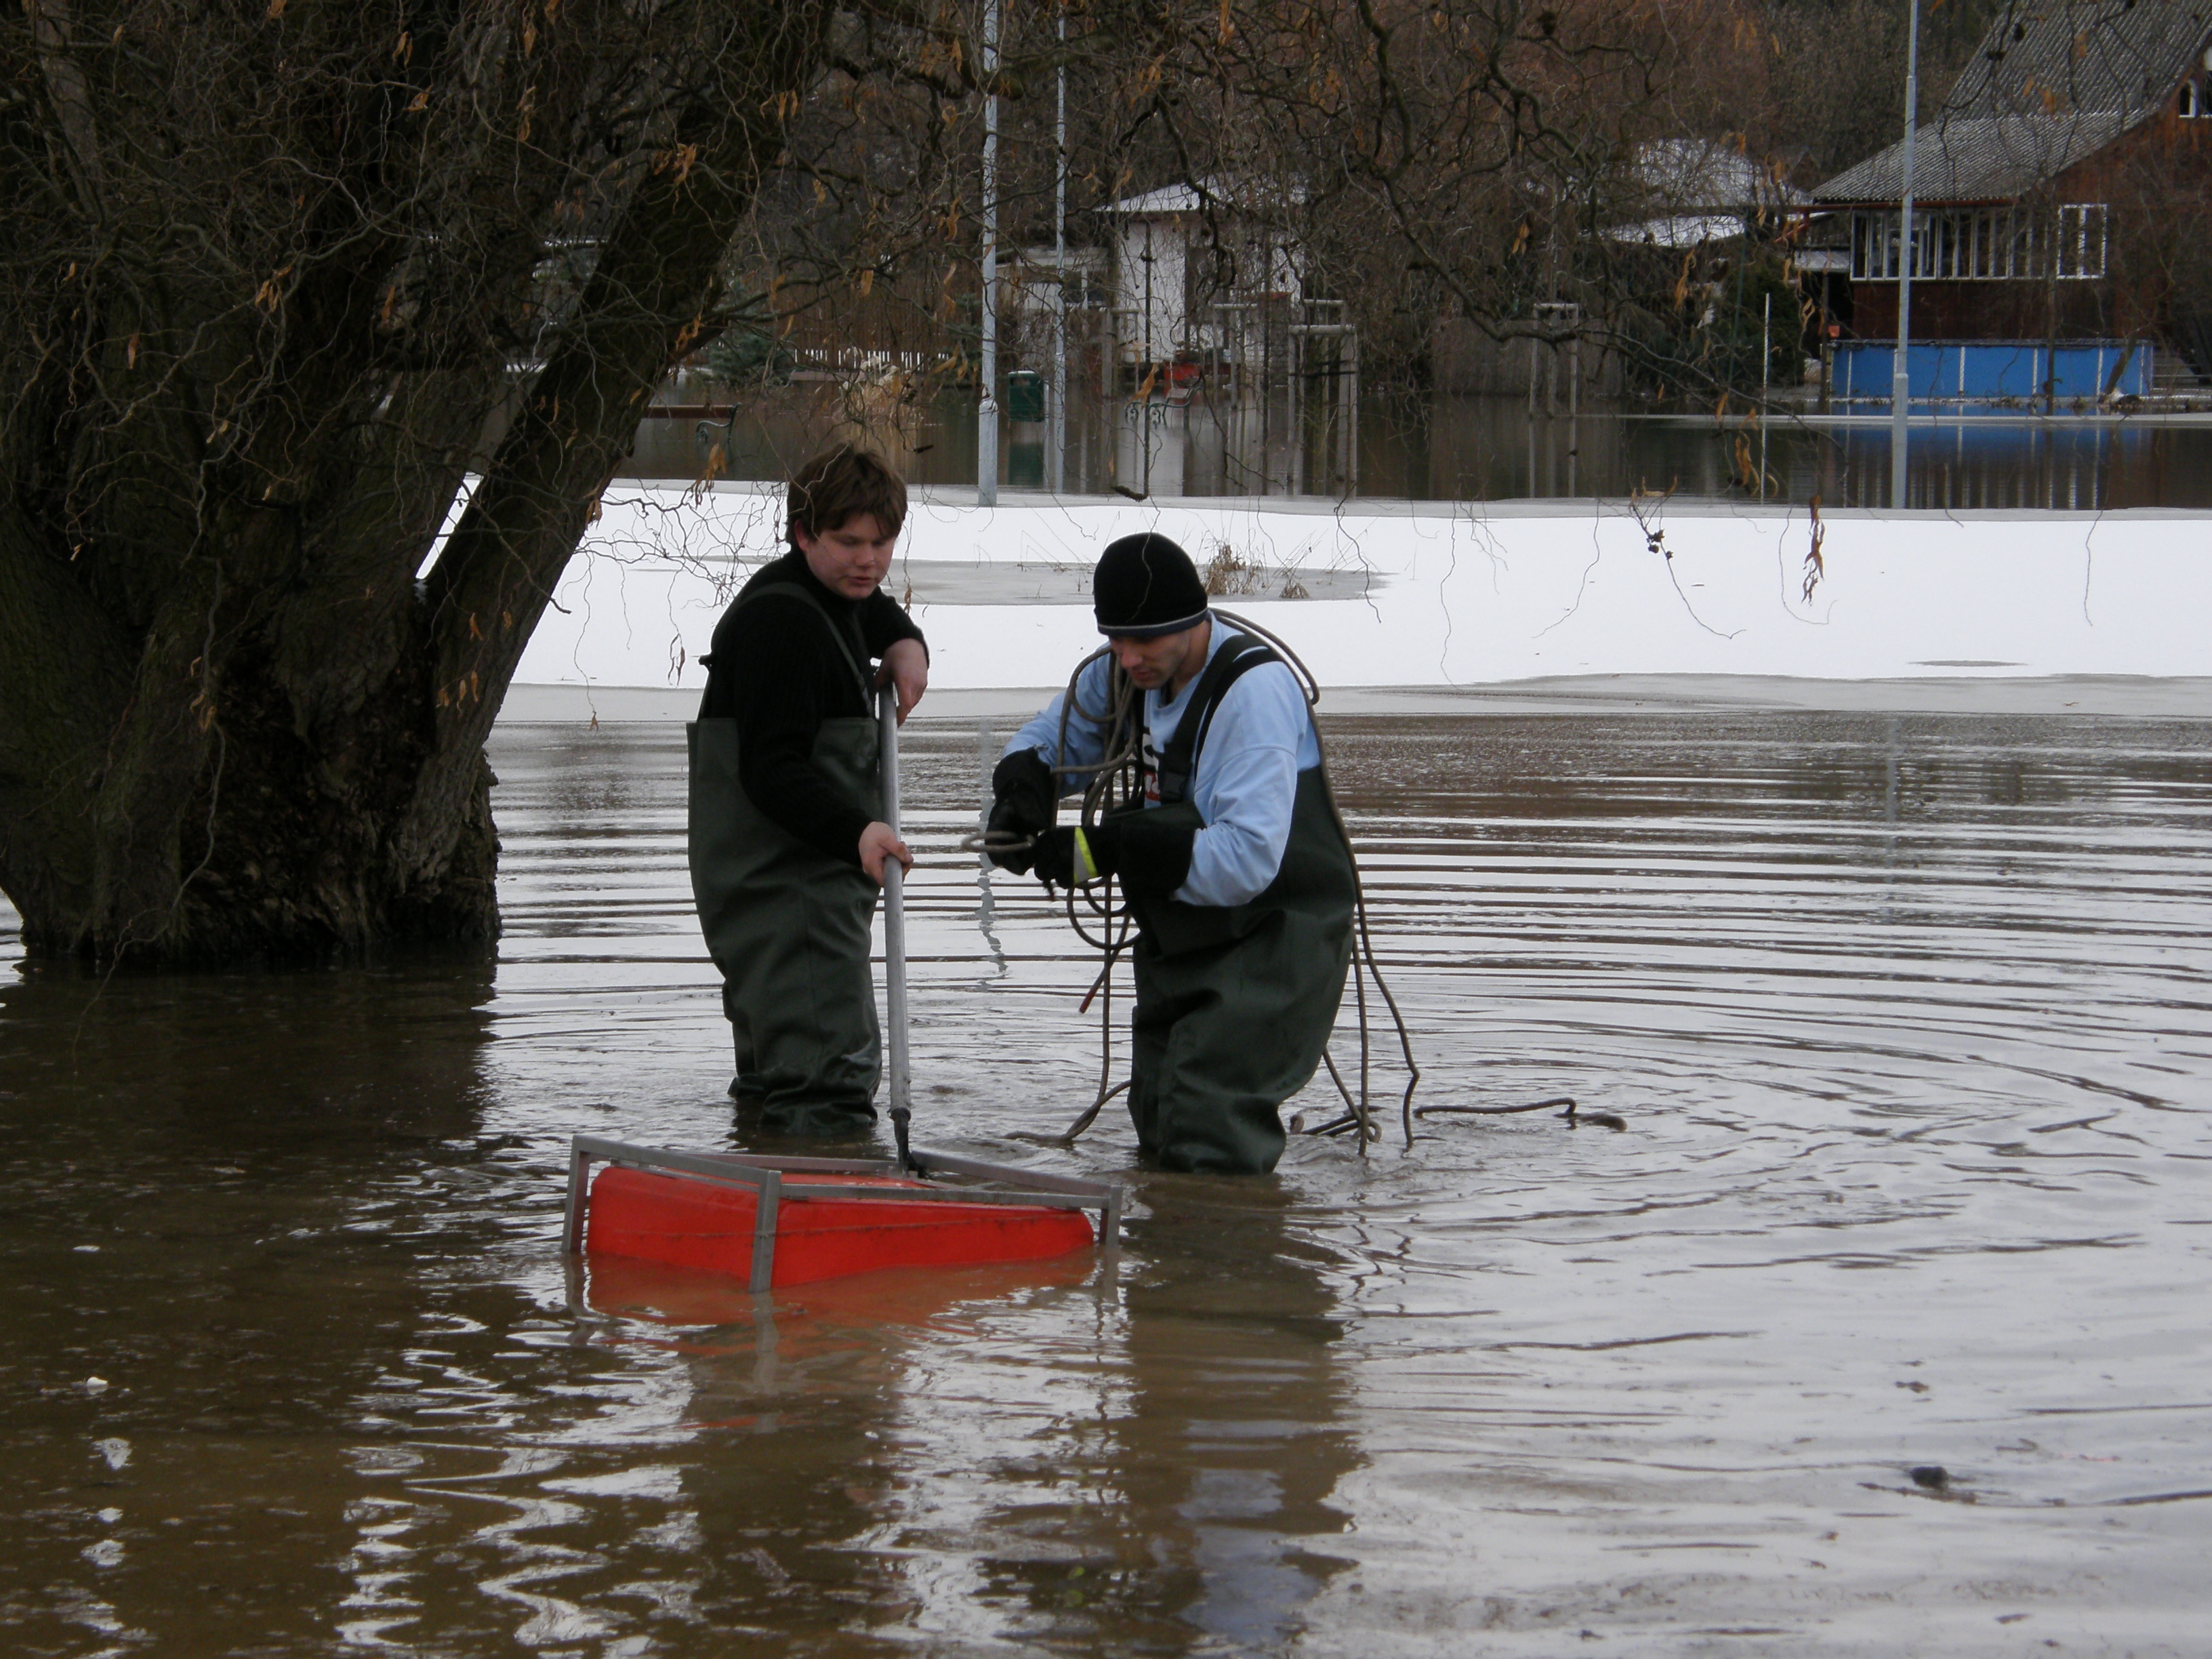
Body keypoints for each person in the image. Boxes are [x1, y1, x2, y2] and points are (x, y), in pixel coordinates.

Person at [988, 533, 1356, 1174]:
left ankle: (1227, 1258)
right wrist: (1024, 784)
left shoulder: (1253, 695)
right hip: (1184, 940)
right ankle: (1166, 1262)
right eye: (1115, 641)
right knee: (1159, 1116)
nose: (1129, 659)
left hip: (1272, 940)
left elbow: (1245, 859)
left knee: (1209, 1128)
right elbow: (1058, 734)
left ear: (1193, 621)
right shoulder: (1130, 672)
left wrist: (1112, 848)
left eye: (1145, 642)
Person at [688, 445, 927, 1137]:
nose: (868, 562)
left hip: (779, 894)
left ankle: (756, 1205)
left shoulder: (827, 592)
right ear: (802, 535)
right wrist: (858, 831)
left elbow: (867, 604)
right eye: (848, 542)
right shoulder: (782, 626)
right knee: (827, 1084)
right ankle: (834, 1208)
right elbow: (771, 768)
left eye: (882, 544)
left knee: (774, 1080)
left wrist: (906, 639)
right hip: (788, 893)